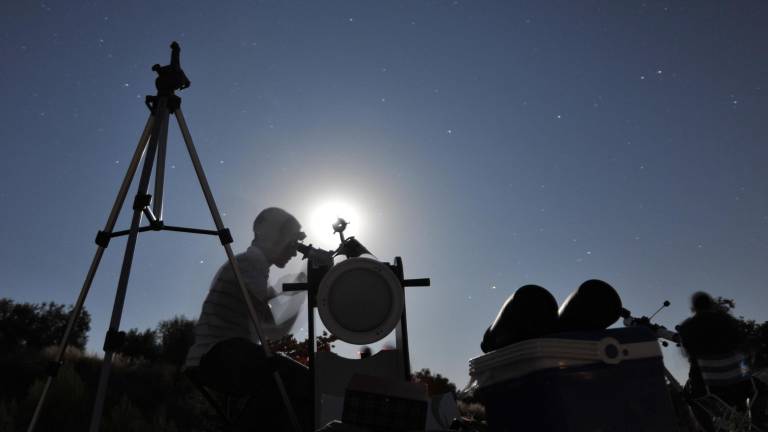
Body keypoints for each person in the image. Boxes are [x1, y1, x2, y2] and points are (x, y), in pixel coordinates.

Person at [185, 207, 310, 431]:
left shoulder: (252, 268)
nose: (294, 252)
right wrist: (307, 280)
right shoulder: (250, 263)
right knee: (301, 384)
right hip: (218, 355)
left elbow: (263, 310)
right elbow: (272, 327)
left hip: (221, 354)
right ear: (269, 235)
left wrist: (291, 288)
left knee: (286, 381)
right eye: (291, 242)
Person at [677, 292, 752, 412]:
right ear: (711, 304)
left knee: (689, 396)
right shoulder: (728, 320)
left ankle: (708, 428)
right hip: (742, 385)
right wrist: (746, 375)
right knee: (758, 386)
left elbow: (689, 354)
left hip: (712, 389)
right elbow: (744, 349)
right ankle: (756, 421)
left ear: (694, 308)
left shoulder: (688, 327)